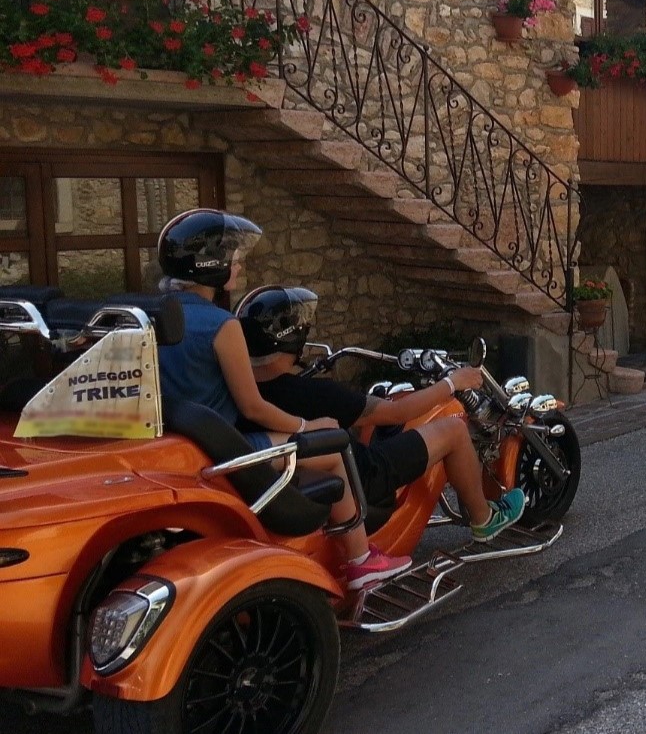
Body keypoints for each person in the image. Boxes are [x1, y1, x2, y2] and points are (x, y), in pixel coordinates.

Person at [155, 209, 411, 591]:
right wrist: (311, 426)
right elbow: (252, 406)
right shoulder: (221, 325)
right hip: (223, 450)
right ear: (212, 266)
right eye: (233, 257)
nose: (238, 265)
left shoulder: (154, 315)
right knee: (334, 447)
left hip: (178, 444)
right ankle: (360, 559)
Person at [234, 285, 527, 543]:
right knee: (454, 429)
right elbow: (397, 411)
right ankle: (484, 518)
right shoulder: (312, 393)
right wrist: (452, 383)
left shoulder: (238, 391)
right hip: (365, 476)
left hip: (296, 482)